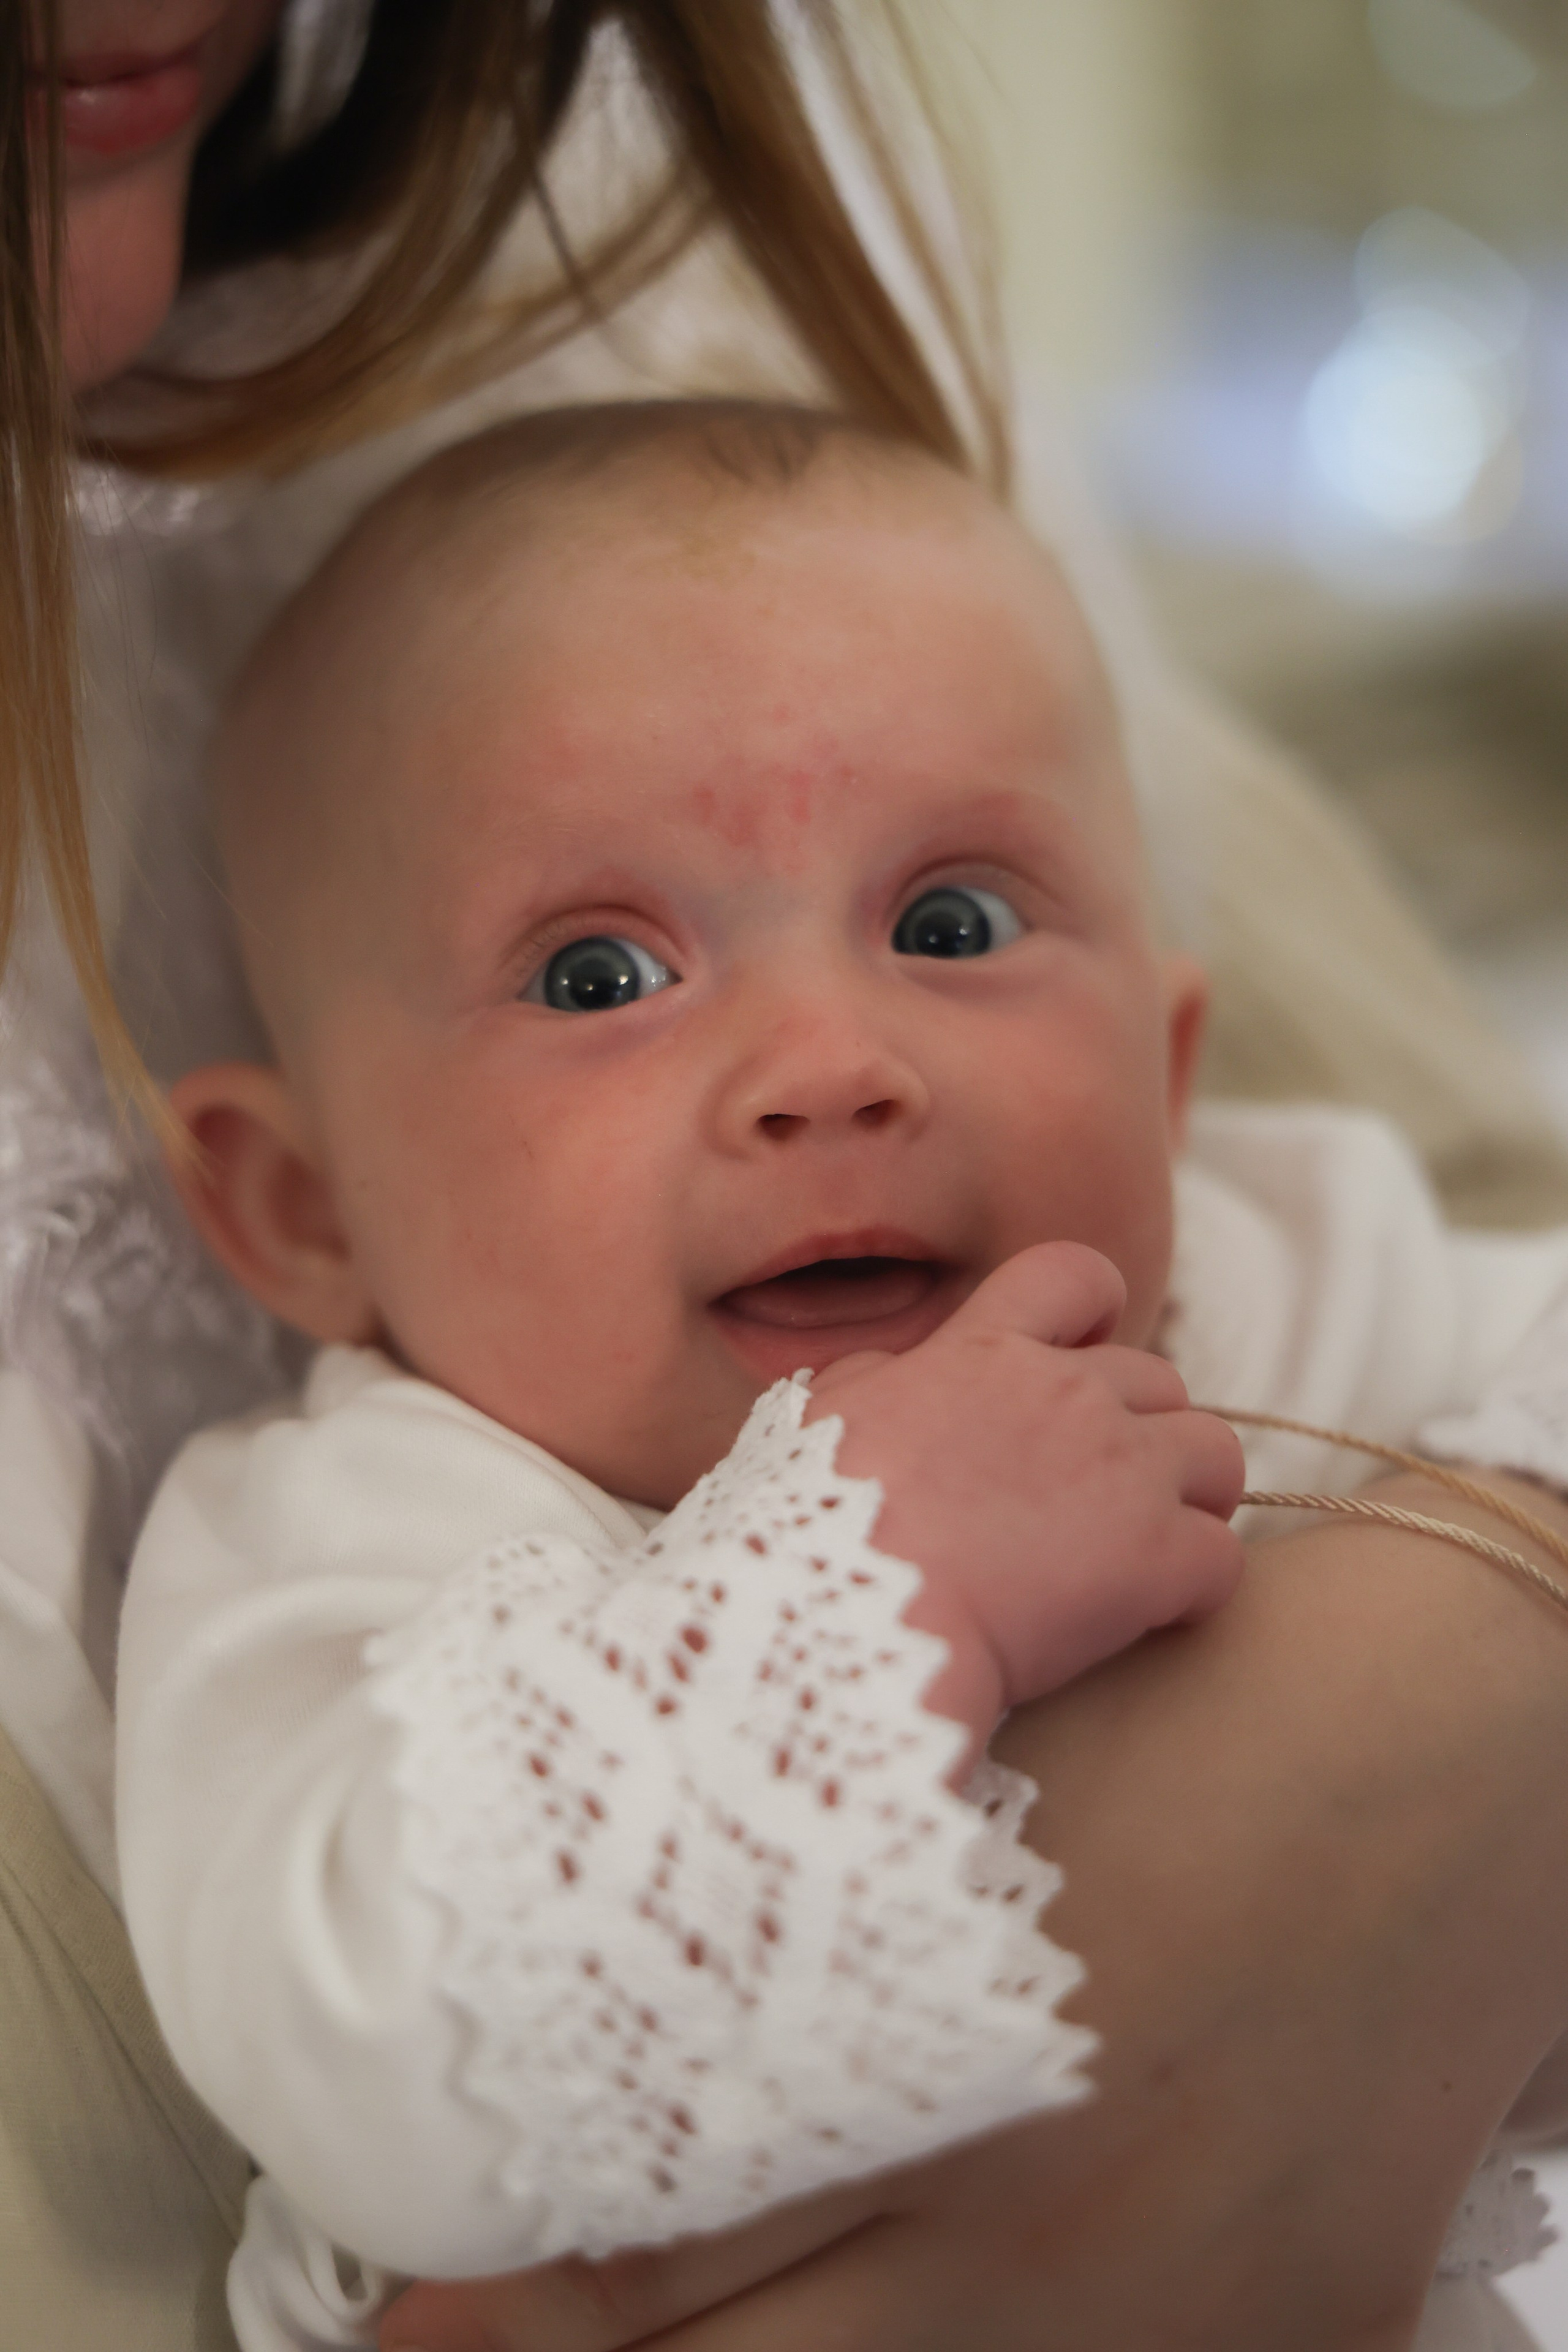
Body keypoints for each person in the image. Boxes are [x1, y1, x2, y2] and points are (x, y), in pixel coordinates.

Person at [4, 6, 1568, 2351]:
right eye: (602, 971)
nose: (829, 1068)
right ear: (295, 1211)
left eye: (951, 924)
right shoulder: (362, 1547)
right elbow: (386, 2073)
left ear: (1167, 1056)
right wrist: (855, 1594)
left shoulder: (1262, 1264)